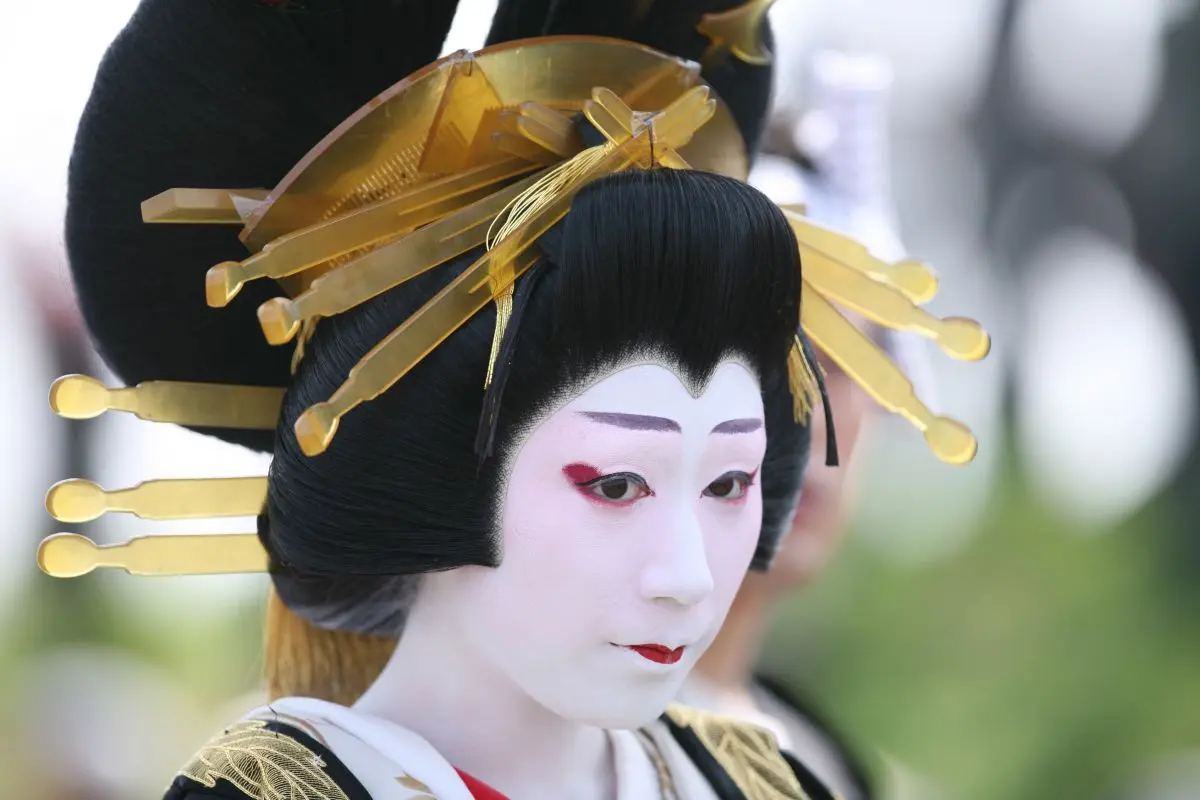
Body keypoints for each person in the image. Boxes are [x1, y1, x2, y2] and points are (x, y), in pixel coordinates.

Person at [39, 1, 986, 797]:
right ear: (439, 468)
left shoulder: (762, 778)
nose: (688, 574)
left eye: (730, 484)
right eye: (616, 484)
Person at [682, 51, 938, 800]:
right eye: (781, 356)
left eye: (855, 366)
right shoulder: (543, 741)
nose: (816, 419)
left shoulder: (828, 765)